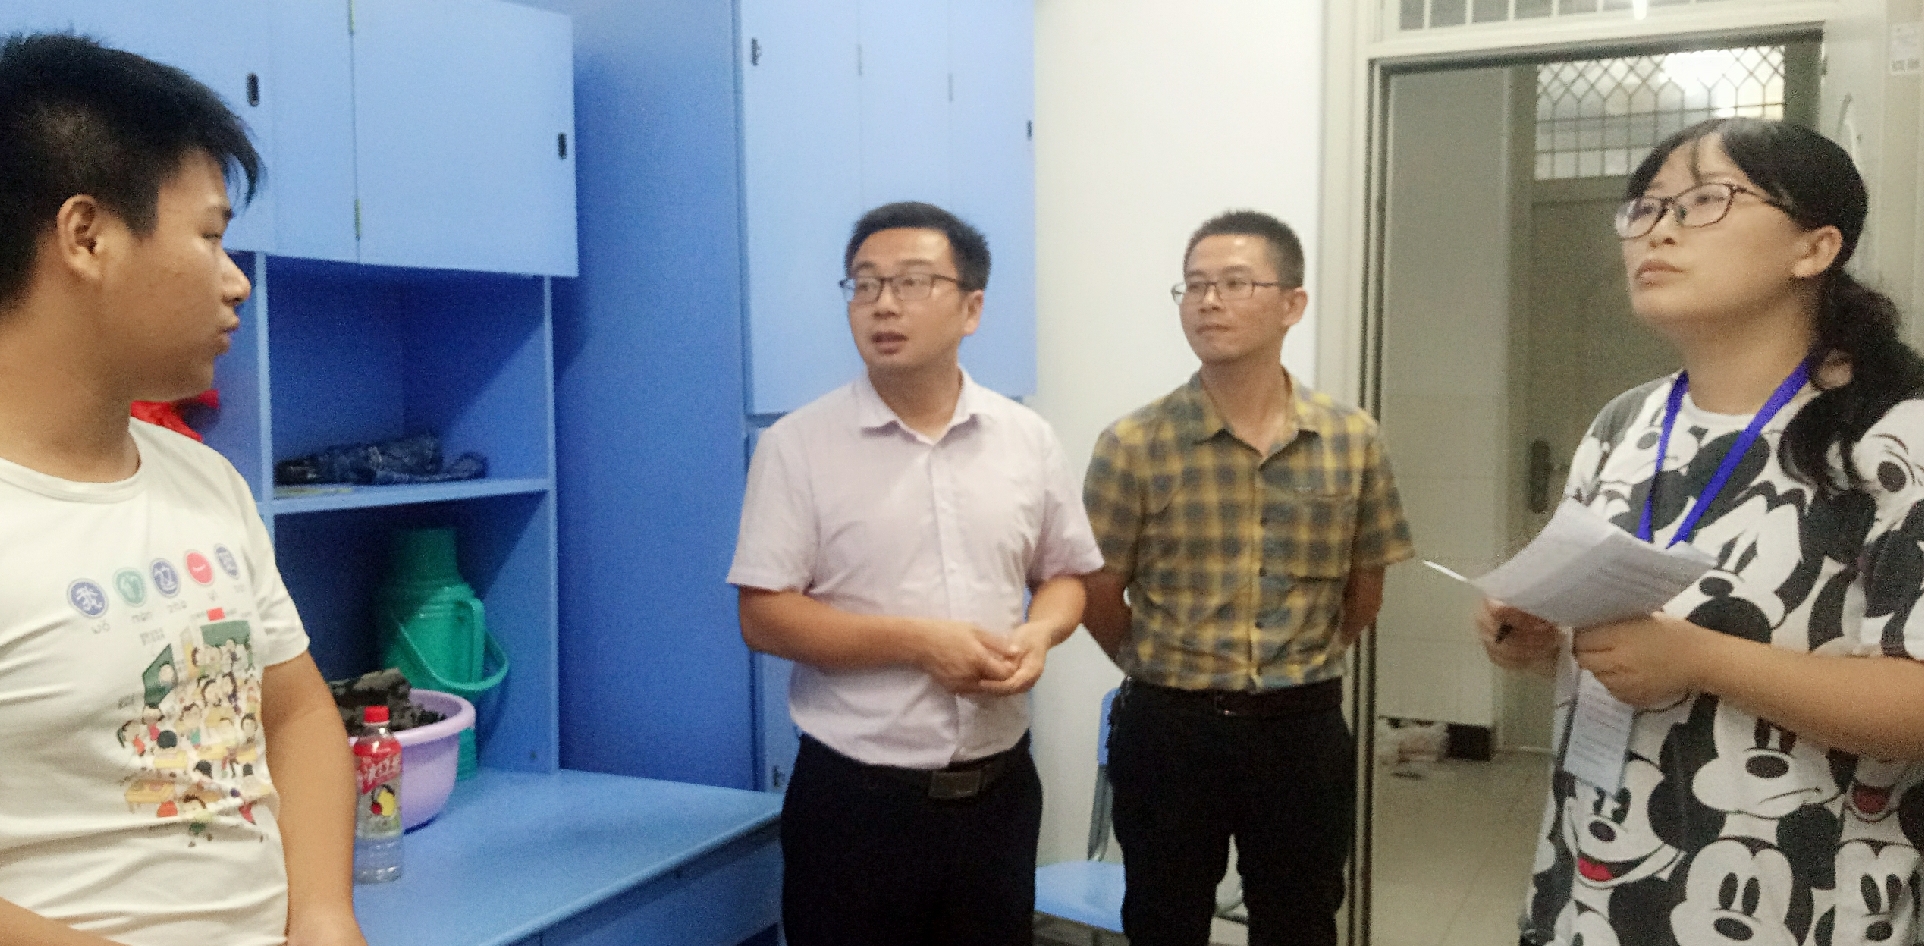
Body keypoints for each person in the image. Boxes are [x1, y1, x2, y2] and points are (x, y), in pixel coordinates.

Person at [1479, 117, 1924, 946]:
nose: (1659, 229)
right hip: (1595, 886)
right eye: (1645, 207)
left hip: (1799, 903)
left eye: (1706, 199)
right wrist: (1542, 638)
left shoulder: (1894, 436)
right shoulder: (1626, 422)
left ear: (1815, 247)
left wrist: (1697, 658)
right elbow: (1614, 641)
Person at [0, 33, 364, 946]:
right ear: (87, 237)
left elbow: (295, 710)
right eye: (210, 236)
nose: (237, 282)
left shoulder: (205, 480)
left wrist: (325, 913)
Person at [728, 201, 1103, 946]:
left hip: (998, 795)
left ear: (972, 308)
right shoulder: (797, 446)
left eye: (912, 282)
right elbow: (764, 615)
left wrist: (1040, 635)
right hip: (856, 802)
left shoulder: (1025, 439)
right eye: (864, 284)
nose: (883, 304)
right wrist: (920, 643)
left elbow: (1066, 575)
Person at [1082, 210, 1416, 946]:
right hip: (1169, 729)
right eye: (1194, 285)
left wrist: (1295, 663)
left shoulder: (1351, 439)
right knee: (1162, 920)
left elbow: (1364, 592)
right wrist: (1161, 667)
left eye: (1235, 283)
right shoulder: (1132, 443)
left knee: (1300, 920)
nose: (1208, 302)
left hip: (1301, 731)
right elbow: (1099, 593)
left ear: (1292, 304)